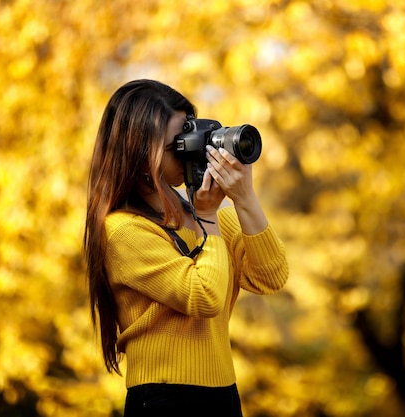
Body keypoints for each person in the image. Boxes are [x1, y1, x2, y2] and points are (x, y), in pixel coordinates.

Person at [83, 79, 289, 416]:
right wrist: (208, 214)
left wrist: (244, 196)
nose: (188, 150)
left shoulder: (211, 222)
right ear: (136, 151)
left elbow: (271, 276)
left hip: (224, 393)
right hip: (165, 399)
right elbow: (203, 296)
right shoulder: (122, 230)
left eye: (190, 137)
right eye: (174, 145)